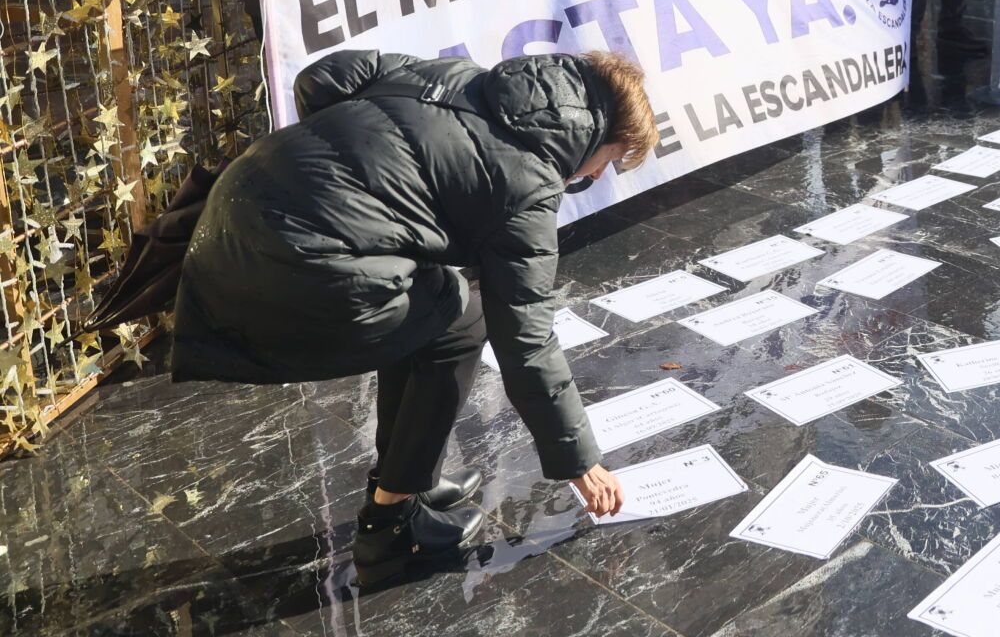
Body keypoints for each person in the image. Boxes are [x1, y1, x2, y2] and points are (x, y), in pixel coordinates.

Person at [172, 49, 655, 580]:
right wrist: (581, 463)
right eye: (604, 164)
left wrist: (352, 171)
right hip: (295, 268)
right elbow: (528, 339)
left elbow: (322, 77)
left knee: (433, 301)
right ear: (596, 137)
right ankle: (389, 525)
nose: (592, 174)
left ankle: (407, 478)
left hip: (233, 207)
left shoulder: (453, 76)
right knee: (462, 323)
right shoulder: (530, 181)